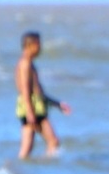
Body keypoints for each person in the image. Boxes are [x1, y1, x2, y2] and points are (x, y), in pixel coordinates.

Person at [14, 31, 72, 159]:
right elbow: (25, 90)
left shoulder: (28, 63)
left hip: (34, 104)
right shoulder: (25, 64)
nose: (41, 48)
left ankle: (21, 170)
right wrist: (30, 112)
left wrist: (57, 104)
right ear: (31, 45)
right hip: (32, 106)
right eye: (39, 45)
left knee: (27, 146)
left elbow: (37, 90)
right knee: (53, 142)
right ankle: (46, 169)